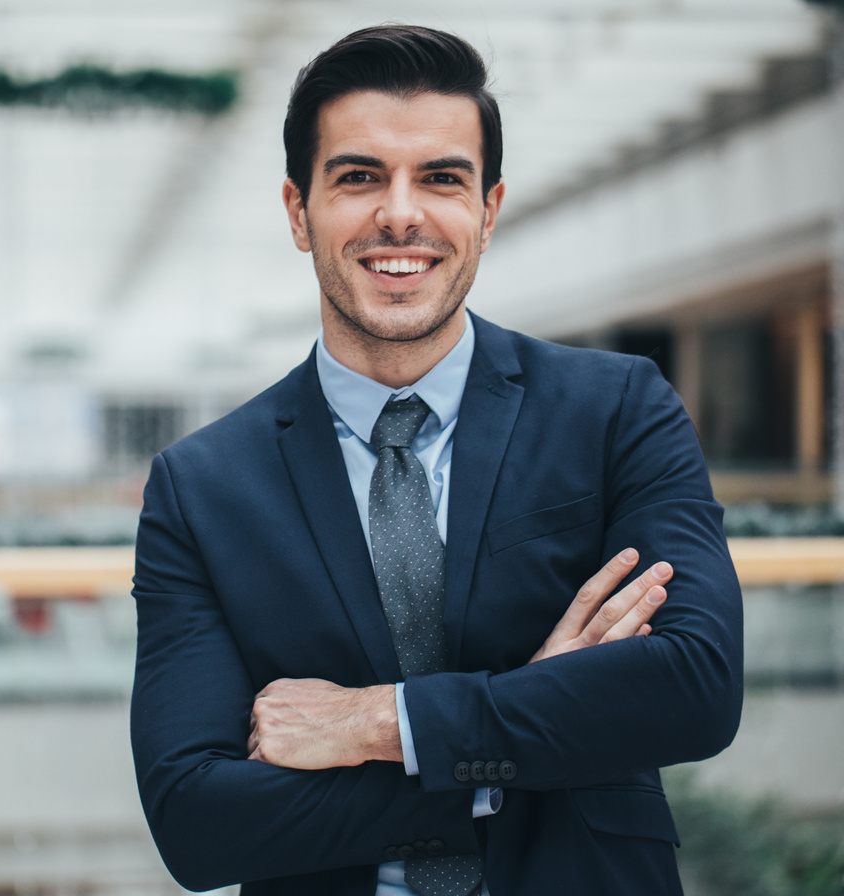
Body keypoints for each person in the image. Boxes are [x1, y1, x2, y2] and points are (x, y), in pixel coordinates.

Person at [129, 24, 743, 896]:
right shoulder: (202, 488)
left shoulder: (616, 410)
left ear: (487, 213)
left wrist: (379, 721)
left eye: (442, 178)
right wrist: (515, 746)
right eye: (359, 177)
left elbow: (695, 684)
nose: (401, 214)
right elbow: (197, 821)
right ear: (299, 213)